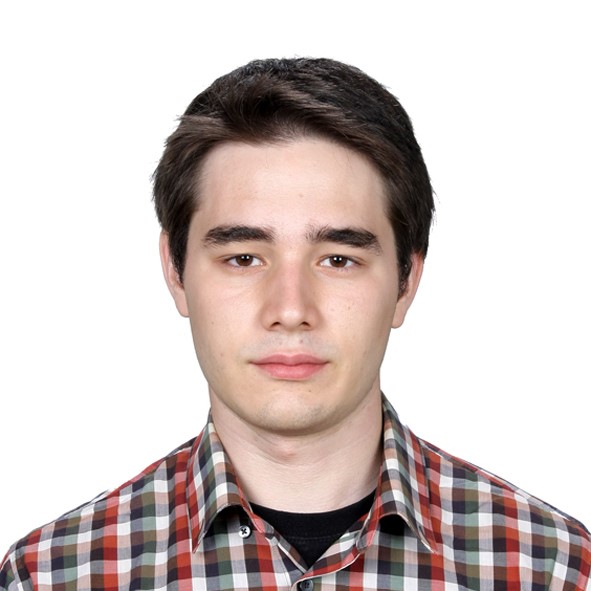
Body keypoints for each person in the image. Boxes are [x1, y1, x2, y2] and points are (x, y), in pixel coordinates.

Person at [1, 57, 589, 591]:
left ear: (406, 281)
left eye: (338, 259)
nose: (289, 308)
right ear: (175, 273)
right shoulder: (53, 576)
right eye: (243, 258)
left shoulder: (555, 569)